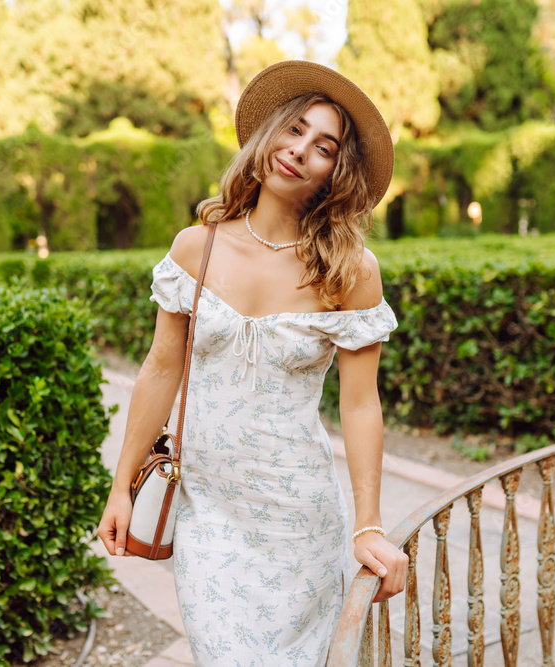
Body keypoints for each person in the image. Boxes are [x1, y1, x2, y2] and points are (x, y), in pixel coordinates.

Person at [97, 60, 408, 666]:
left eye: (324, 147)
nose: (299, 151)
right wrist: (122, 488)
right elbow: (161, 369)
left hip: (299, 520)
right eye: (293, 130)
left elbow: (360, 402)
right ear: (269, 136)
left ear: (333, 174)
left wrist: (367, 523)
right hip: (209, 515)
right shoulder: (197, 247)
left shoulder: (350, 271)